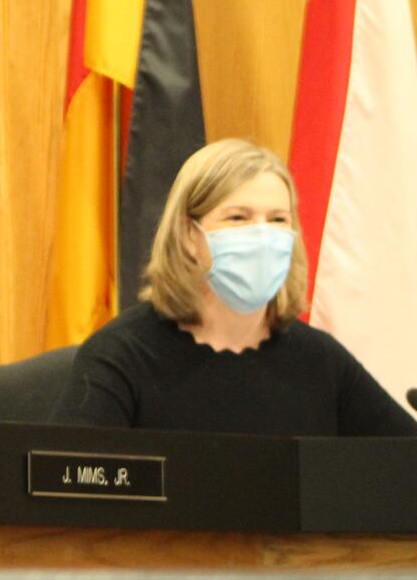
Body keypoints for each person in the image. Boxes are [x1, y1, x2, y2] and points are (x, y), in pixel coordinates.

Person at [52, 138, 416, 435]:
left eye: (277, 219)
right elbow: (67, 485)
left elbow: (401, 470)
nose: (262, 234)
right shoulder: (123, 353)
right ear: (188, 236)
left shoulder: (320, 361)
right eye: (238, 218)